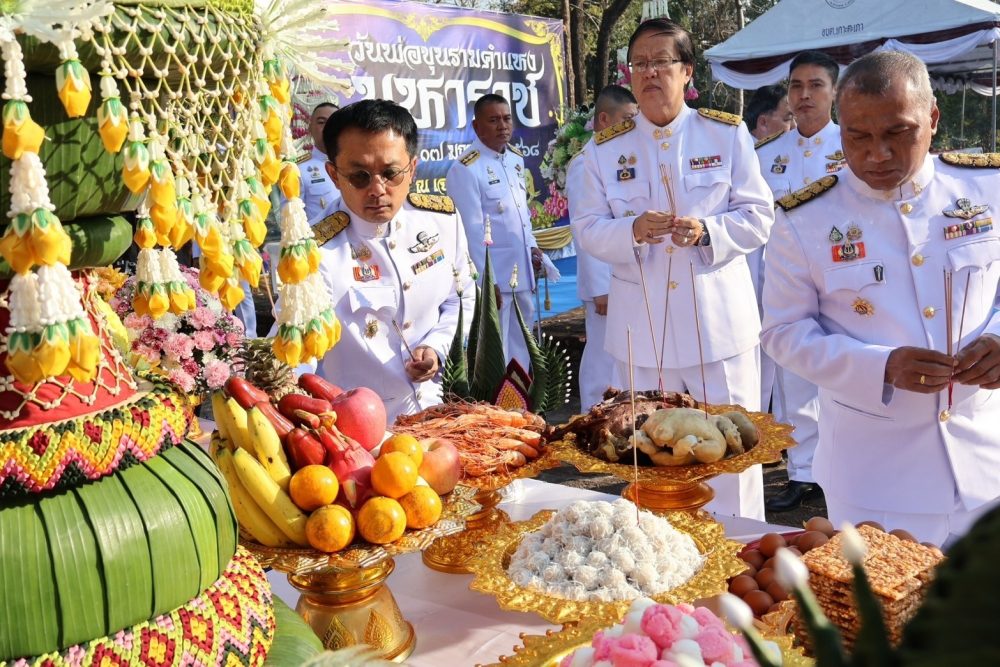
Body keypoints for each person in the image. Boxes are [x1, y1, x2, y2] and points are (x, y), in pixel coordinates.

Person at [761, 50, 1000, 545]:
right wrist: (881, 367)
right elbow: (783, 332)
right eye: (858, 137)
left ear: (932, 119)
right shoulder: (805, 218)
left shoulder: (986, 188)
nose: (877, 154)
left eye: (898, 133)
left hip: (986, 459)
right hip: (875, 477)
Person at [569, 18, 773, 520]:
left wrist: (708, 231)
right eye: (639, 63)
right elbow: (588, 229)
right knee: (648, 452)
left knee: (732, 456)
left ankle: (738, 548)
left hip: (717, 330)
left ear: (686, 71)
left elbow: (758, 216)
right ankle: (663, 553)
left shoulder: (725, 134)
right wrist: (632, 230)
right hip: (643, 334)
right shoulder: (604, 151)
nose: (649, 73)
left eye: (661, 62)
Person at [290, 99, 474, 421]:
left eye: (390, 173)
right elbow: (297, 355)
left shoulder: (441, 221)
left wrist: (437, 347)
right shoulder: (314, 251)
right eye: (359, 176)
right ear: (334, 175)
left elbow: (462, 298)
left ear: (412, 169)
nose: (377, 189)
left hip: (436, 413)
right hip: (359, 432)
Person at [755, 51, 845, 513]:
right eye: (796, 86)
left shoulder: (853, 144)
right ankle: (804, 473)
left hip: (844, 278)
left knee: (845, 377)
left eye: (815, 85)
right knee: (794, 381)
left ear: (835, 92)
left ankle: (845, 468)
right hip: (786, 281)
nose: (804, 95)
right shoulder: (766, 155)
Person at [447, 94, 543, 372]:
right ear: (477, 127)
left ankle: (522, 395)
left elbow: (520, 213)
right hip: (496, 277)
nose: (503, 125)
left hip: (521, 271)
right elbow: (471, 231)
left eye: (507, 118)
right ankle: (500, 399)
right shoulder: (466, 168)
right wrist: (485, 281)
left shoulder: (514, 158)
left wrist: (532, 246)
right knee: (495, 351)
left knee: (523, 344)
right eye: (493, 120)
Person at [571, 85, 638, 410]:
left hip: (625, 276)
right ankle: (591, 422)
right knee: (602, 361)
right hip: (605, 284)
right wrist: (600, 288)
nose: (633, 125)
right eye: (627, 118)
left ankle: (617, 423)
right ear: (604, 120)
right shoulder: (585, 162)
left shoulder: (616, 157)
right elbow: (586, 229)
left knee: (622, 360)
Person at [298, 102, 341, 223]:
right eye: (322, 122)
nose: (328, 127)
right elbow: (291, 221)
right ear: (310, 128)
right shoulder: (299, 170)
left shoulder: (355, 165)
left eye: (334, 122)